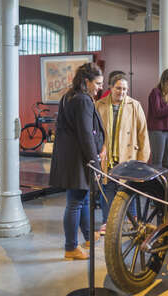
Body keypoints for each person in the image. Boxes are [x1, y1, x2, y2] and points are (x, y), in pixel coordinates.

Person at [49, 62, 106, 260]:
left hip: (73, 159)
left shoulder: (70, 96)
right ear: (86, 81)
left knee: (82, 200)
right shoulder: (82, 100)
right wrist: (96, 165)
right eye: (97, 83)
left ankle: (89, 237)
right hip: (77, 160)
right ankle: (71, 247)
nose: (100, 87)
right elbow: (86, 135)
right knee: (75, 203)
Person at [95, 74, 150, 234]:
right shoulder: (99, 105)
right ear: (111, 88)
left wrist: (142, 163)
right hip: (107, 158)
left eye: (125, 88)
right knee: (108, 190)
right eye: (118, 88)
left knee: (128, 190)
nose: (122, 92)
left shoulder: (135, 106)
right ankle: (107, 222)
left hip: (128, 158)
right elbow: (96, 133)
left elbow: (143, 135)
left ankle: (131, 221)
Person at [147, 68, 168, 169]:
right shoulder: (155, 92)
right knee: (157, 162)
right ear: (164, 80)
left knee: (167, 162)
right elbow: (157, 112)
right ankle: (156, 185)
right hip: (157, 131)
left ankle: (166, 184)